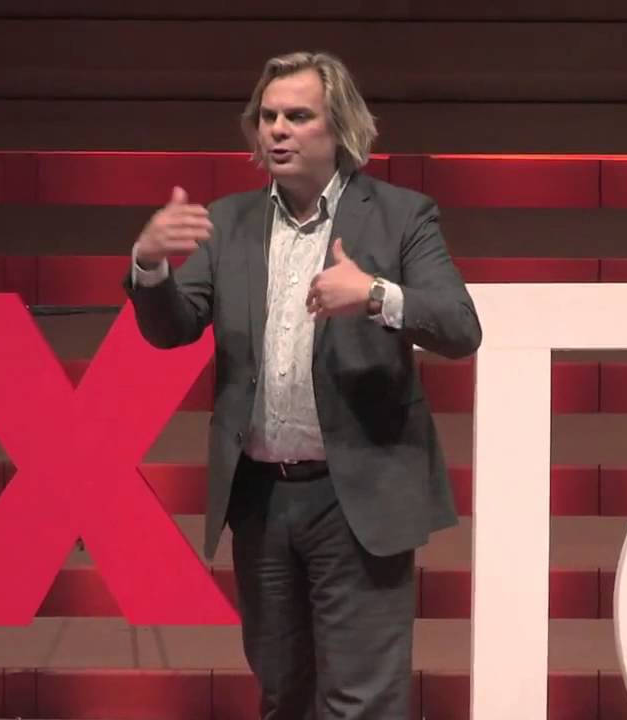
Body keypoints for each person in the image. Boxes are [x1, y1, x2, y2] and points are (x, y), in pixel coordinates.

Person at [126, 50, 481, 719]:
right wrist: (149, 265)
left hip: (358, 498)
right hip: (262, 500)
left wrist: (374, 294)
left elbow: (461, 328)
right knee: (283, 694)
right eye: (268, 117)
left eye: (297, 116)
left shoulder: (401, 216)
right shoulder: (230, 222)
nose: (278, 130)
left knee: (361, 701)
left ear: (339, 127)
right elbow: (171, 328)